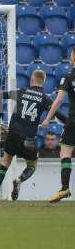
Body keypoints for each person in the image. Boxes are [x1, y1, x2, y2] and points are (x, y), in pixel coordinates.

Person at [0, 70, 67, 201]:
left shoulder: (21, 92)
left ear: (32, 79)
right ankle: (19, 180)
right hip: (28, 138)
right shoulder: (44, 98)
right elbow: (58, 114)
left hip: (12, 134)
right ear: (43, 82)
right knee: (32, 165)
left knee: (5, 161)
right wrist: (68, 122)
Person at [42, 47, 75, 203]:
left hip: (73, 121)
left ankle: (64, 188)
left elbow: (59, 100)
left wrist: (48, 118)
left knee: (65, 152)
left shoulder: (68, 77)